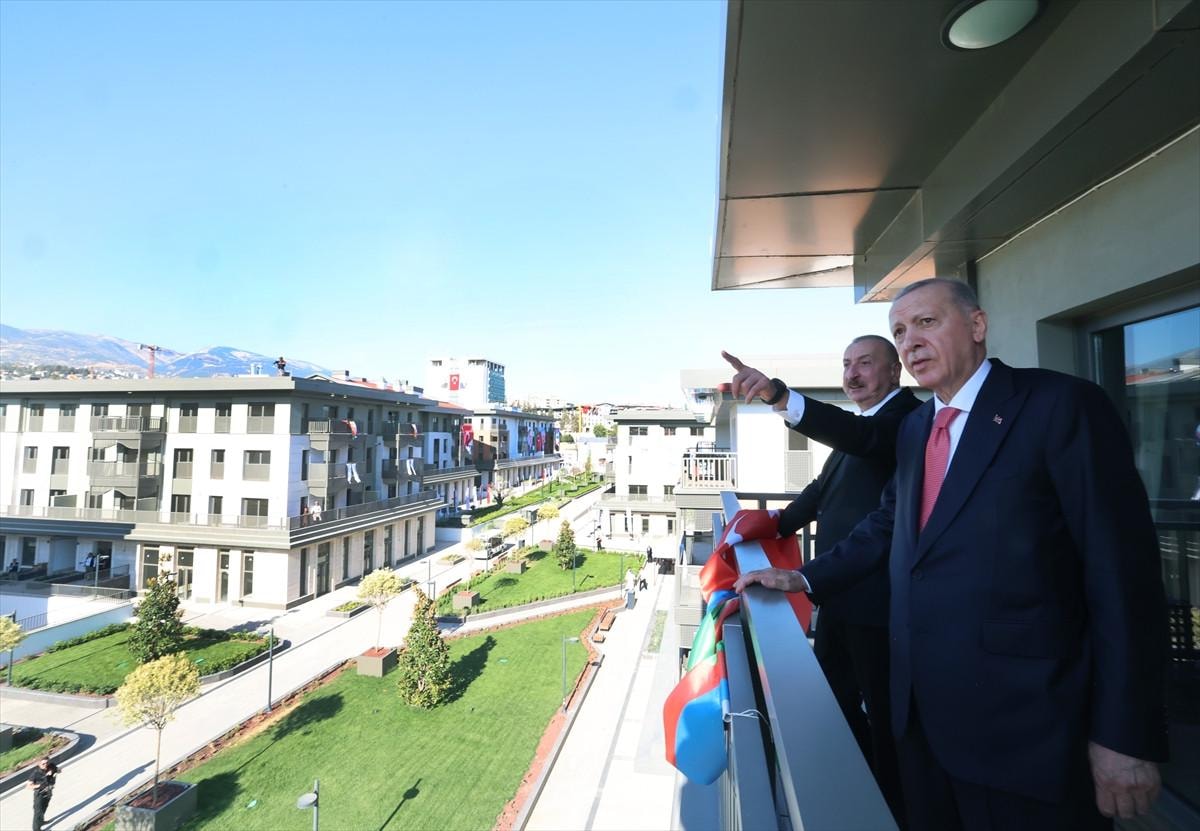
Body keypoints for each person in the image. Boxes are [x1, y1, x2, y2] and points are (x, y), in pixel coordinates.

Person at [733, 278, 1167, 830]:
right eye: (899, 330)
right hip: (923, 727)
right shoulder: (917, 428)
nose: (910, 341)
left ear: (977, 326)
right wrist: (804, 578)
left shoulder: (1061, 406)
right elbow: (887, 524)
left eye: (926, 323)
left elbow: (1123, 576)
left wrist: (1125, 734)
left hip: (1027, 734)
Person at [723, 335, 921, 822]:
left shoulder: (905, 420)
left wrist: (778, 396)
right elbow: (821, 492)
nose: (852, 374)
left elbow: (863, 440)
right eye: (847, 364)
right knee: (833, 701)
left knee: (886, 722)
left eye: (865, 364)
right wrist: (772, 524)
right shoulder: (865, 423)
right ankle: (850, 796)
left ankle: (891, 811)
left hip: (878, 605)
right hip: (836, 593)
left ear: (894, 372)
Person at [27, 756, 58, 830]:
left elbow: (59, 770)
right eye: (43, 764)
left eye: (47, 763)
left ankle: (41, 821)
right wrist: (39, 785)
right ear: (39, 764)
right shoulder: (36, 773)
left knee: (44, 807)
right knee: (38, 812)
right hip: (39, 794)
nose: (45, 765)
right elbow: (28, 786)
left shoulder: (51, 766)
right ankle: (36, 829)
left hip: (48, 792)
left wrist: (53, 772)